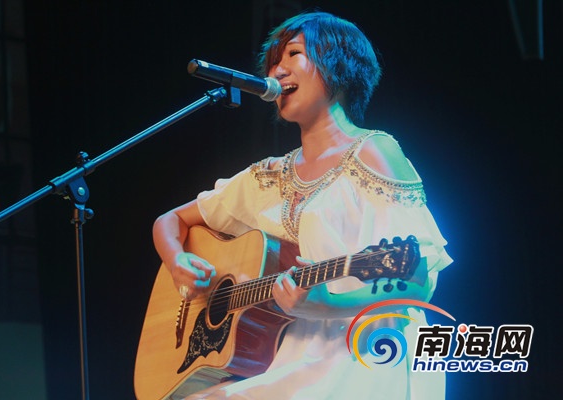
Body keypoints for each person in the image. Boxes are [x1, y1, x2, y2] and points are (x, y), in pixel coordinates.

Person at [152, 11, 452, 399]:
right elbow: (171, 220)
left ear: (338, 65)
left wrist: (326, 305)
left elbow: (419, 281)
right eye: (274, 62)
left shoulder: (375, 151)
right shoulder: (271, 174)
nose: (277, 71)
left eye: (293, 54)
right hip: (294, 351)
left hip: (368, 347)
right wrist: (177, 262)